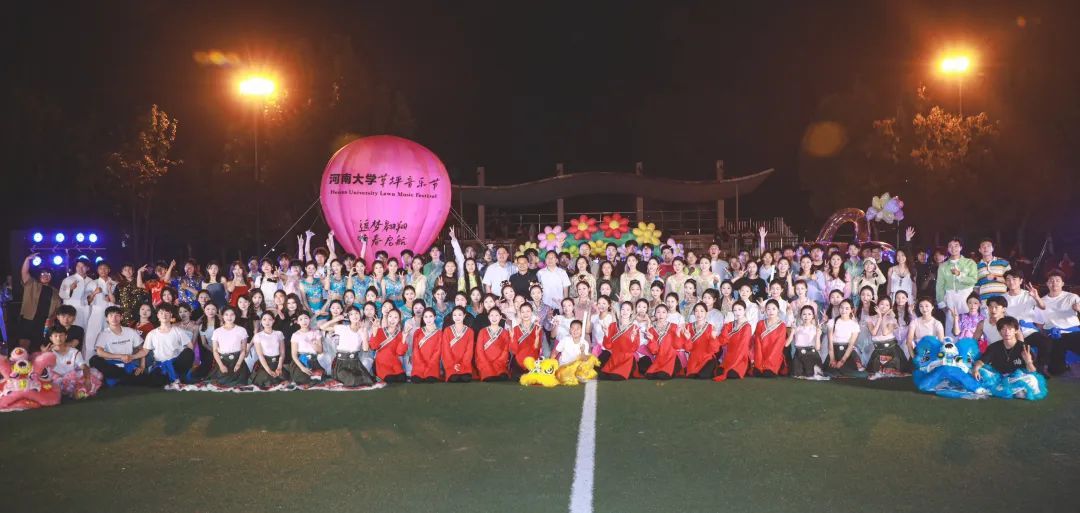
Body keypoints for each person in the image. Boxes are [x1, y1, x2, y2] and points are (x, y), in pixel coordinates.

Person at [972, 316, 1042, 399]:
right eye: (1003, 329)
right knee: (980, 371)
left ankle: (1007, 390)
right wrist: (975, 370)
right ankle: (1013, 391)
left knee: (1032, 379)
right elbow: (981, 361)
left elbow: (1033, 371)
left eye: (1010, 329)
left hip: (1017, 378)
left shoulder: (1024, 348)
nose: (1007, 332)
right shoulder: (994, 347)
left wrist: (1028, 361)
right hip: (998, 377)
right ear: (999, 332)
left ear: (1016, 330)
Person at [90, 306, 155, 386]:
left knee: (148, 380)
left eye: (117, 315)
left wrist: (142, 365)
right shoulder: (103, 334)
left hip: (127, 364)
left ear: (121, 317)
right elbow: (99, 352)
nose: (114, 318)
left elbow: (142, 349)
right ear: (107, 319)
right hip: (111, 365)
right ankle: (123, 377)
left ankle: (121, 378)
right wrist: (120, 356)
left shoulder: (130, 331)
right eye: (111, 315)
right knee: (94, 360)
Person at [1035, 271, 1080, 376]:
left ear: (1062, 283)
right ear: (1047, 284)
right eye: (1051, 281)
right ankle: (1062, 366)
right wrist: (1042, 335)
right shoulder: (1041, 301)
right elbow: (1039, 324)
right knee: (1056, 370)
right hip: (1054, 334)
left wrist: (1078, 309)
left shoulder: (1072, 297)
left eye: (1057, 280)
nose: (1054, 283)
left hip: (1073, 332)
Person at [320, 306, 377, 387]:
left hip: (355, 362)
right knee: (352, 380)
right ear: (348, 317)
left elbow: (365, 349)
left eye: (356, 313)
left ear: (360, 315)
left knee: (367, 381)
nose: (354, 316)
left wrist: (364, 334)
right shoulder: (343, 328)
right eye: (351, 314)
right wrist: (335, 320)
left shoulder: (362, 330)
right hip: (341, 363)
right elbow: (322, 327)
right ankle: (336, 378)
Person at [17, 255, 64, 350]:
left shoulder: (55, 291)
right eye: (43, 274)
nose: (45, 276)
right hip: (28, 318)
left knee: (39, 346)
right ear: (39, 275)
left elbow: (58, 309)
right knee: (24, 346)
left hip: (45, 322)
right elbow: (24, 273)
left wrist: (51, 319)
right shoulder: (32, 283)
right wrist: (27, 259)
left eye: (48, 274)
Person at [45, 325, 103, 398]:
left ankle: (79, 391)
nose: (58, 338)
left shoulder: (74, 352)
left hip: (72, 378)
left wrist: (87, 379)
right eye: (55, 336)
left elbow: (83, 367)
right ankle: (78, 391)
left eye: (61, 335)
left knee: (93, 376)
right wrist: (44, 355)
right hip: (56, 379)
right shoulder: (48, 353)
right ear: (51, 338)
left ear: (66, 336)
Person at [144, 304, 195, 385]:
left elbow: (190, 347)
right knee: (155, 382)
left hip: (176, 363)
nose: (164, 315)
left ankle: (180, 375)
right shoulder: (152, 334)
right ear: (158, 315)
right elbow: (144, 351)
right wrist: (135, 359)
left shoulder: (178, 331)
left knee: (189, 352)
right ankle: (172, 377)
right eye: (161, 313)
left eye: (167, 313)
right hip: (161, 365)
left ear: (171, 315)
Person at [936, 237, 978, 331]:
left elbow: (973, 280)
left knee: (968, 327)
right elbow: (939, 286)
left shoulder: (970, 263)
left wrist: (959, 275)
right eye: (950, 246)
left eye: (956, 246)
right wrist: (941, 303)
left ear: (961, 247)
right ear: (948, 248)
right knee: (951, 327)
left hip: (966, 297)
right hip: (950, 297)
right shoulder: (943, 266)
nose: (953, 248)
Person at [205, 306, 250, 388]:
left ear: (235, 316)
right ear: (222, 316)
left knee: (240, 384)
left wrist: (238, 364)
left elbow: (243, 349)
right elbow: (215, 351)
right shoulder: (217, 331)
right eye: (226, 314)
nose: (229, 317)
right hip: (223, 361)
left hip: (238, 361)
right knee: (219, 383)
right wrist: (221, 365)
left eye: (232, 314)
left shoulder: (242, 330)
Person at [84, 261, 117, 360]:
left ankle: (110, 361)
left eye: (105, 268)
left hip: (111, 315)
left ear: (109, 270)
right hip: (96, 314)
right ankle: (89, 362)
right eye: (100, 268)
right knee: (92, 337)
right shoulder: (92, 283)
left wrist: (110, 297)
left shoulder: (115, 283)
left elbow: (118, 300)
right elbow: (87, 301)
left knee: (110, 337)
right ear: (97, 270)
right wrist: (94, 293)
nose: (103, 270)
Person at [598, 302, 639, 381]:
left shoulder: (634, 327)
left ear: (631, 312)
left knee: (614, 377)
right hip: (614, 358)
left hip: (626, 359)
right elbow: (608, 346)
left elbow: (634, 348)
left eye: (628, 310)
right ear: (620, 311)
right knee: (602, 376)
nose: (625, 312)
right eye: (623, 309)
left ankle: (629, 370)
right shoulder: (613, 326)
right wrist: (606, 334)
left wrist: (633, 338)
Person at [866, 297, 906, 377]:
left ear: (890, 308)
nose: (884, 307)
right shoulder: (870, 318)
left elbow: (885, 333)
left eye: (887, 305)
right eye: (882, 304)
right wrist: (879, 318)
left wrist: (884, 318)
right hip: (878, 349)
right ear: (877, 305)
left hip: (892, 349)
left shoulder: (892, 319)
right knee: (876, 372)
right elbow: (873, 332)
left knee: (892, 372)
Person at [715, 301, 753, 380]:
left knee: (731, 373)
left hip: (741, 357)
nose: (737, 312)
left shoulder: (747, 327)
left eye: (740, 309)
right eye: (735, 310)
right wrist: (725, 326)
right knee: (718, 372)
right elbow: (723, 340)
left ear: (744, 310)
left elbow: (743, 347)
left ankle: (744, 367)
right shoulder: (730, 324)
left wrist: (734, 363)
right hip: (729, 356)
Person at [250, 312, 289, 389]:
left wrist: (279, 367)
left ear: (273, 321)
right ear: (261, 321)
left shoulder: (279, 334)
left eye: (270, 319)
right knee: (265, 383)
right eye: (264, 319)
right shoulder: (258, 336)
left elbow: (282, 353)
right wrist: (268, 370)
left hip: (277, 363)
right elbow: (260, 355)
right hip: (265, 364)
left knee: (284, 382)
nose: (267, 322)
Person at [644, 305, 684, 379]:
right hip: (659, 359)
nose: (661, 315)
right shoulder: (651, 329)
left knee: (662, 375)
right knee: (649, 376)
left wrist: (678, 334)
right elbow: (654, 351)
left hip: (671, 358)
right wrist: (652, 339)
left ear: (667, 314)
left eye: (663, 312)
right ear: (655, 314)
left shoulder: (674, 326)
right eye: (658, 312)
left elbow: (678, 346)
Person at [684, 303, 721, 379]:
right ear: (694, 313)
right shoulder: (689, 327)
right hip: (694, 359)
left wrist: (713, 337)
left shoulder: (711, 327)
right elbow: (688, 349)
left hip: (707, 358)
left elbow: (715, 350)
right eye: (696, 311)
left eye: (702, 311)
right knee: (692, 376)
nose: (699, 314)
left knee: (703, 376)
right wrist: (687, 338)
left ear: (706, 313)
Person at [371, 307, 408, 382]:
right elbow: (373, 347)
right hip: (382, 362)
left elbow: (400, 353)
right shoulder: (379, 330)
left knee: (402, 378)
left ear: (399, 320)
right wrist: (374, 331)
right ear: (387, 318)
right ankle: (378, 374)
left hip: (394, 362)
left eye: (395, 317)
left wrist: (404, 337)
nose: (392, 320)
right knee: (390, 379)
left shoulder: (400, 334)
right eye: (390, 316)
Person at [751, 300, 787, 377]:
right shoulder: (760, 323)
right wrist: (759, 362)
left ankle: (771, 367)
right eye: (768, 309)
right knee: (757, 372)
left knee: (768, 373)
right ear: (765, 310)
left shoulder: (782, 326)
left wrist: (768, 363)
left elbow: (778, 346)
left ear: (778, 310)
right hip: (761, 356)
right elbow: (757, 343)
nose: (771, 311)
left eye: (774, 309)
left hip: (774, 357)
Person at [288, 311, 325, 386]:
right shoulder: (296, 335)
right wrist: (302, 368)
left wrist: (311, 343)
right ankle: (310, 378)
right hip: (300, 361)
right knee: (301, 379)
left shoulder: (316, 332)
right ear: (297, 322)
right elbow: (294, 355)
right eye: (301, 319)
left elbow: (320, 351)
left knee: (318, 377)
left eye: (306, 318)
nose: (304, 321)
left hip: (314, 360)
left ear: (309, 319)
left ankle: (315, 378)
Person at [473, 308, 511, 382]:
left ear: (500, 317)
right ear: (488, 317)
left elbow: (505, 350)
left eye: (496, 315)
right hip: (484, 361)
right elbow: (479, 350)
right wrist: (485, 362)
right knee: (490, 377)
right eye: (492, 315)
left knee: (503, 376)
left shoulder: (504, 332)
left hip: (499, 362)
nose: (494, 318)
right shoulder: (482, 331)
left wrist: (498, 362)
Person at [827, 299, 863, 377]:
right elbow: (830, 342)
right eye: (842, 308)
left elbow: (851, 345)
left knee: (850, 373)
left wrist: (842, 361)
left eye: (847, 308)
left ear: (851, 310)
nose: (844, 310)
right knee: (831, 372)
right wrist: (832, 359)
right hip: (834, 351)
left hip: (847, 353)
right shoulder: (832, 322)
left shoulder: (854, 325)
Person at [787, 305, 823, 378]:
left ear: (813, 316)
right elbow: (786, 344)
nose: (807, 316)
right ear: (800, 316)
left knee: (811, 375)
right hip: (799, 355)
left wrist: (818, 334)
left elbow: (818, 348)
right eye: (804, 314)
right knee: (796, 375)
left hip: (812, 355)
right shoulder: (796, 328)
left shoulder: (816, 329)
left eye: (809, 314)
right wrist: (792, 332)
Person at [58, 259, 94, 329]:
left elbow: (91, 297)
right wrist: (70, 289)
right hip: (71, 309)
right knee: (71, 329)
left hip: (85, 310)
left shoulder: (91, 281)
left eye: (83, 266)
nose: (80, 268)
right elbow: (62, 294)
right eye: (78, 266)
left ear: (88, 268)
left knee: (84, 329)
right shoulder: (68, 279)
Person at [510, 302, 543, 377]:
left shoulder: (537, 328)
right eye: (523, 312)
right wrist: (512, 339)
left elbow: (536, 348)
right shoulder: (515, 329)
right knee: (517, 377)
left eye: (528, 311)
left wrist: (537, 337)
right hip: (519, 359)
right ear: (520, 314)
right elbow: (514, 350)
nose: (525, 314)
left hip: (532, 359)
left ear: (532, 313)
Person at [410, 308, 442, 383]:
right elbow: (415, 350)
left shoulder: (439, 333)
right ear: (423, 318)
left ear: (435, 317)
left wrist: (430, 365)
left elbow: (438, 351)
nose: (428, 319)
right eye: (426, 317)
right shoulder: (417, 332)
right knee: (416, 380)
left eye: (431, 316)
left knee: (430, 380)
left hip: (433, 366)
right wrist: (421, 364)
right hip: (418, 366)